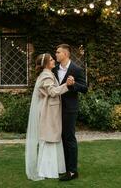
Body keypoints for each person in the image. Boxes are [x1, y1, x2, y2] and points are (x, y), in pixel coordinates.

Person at [25, 53, 74, 181]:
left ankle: (53, 169)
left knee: (52, 137)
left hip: (50, 110)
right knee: (49, 138)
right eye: (51, 59)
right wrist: (67, 86)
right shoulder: (47, 75)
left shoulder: (48, 74)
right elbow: (52, 92)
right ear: (46, 63)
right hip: (49, 111)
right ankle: (47, 170)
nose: (54, 61)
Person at [53, 44, 88, 181]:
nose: (55, 54)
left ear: (66, 54)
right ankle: (62, 167)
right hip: (55, 108)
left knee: (69, 138)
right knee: (59, 137)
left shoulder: (76, 69)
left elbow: (84, 88)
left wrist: (73, 84)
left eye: (58, 52)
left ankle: (72, 171)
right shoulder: (54, 69)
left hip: (69, 109)